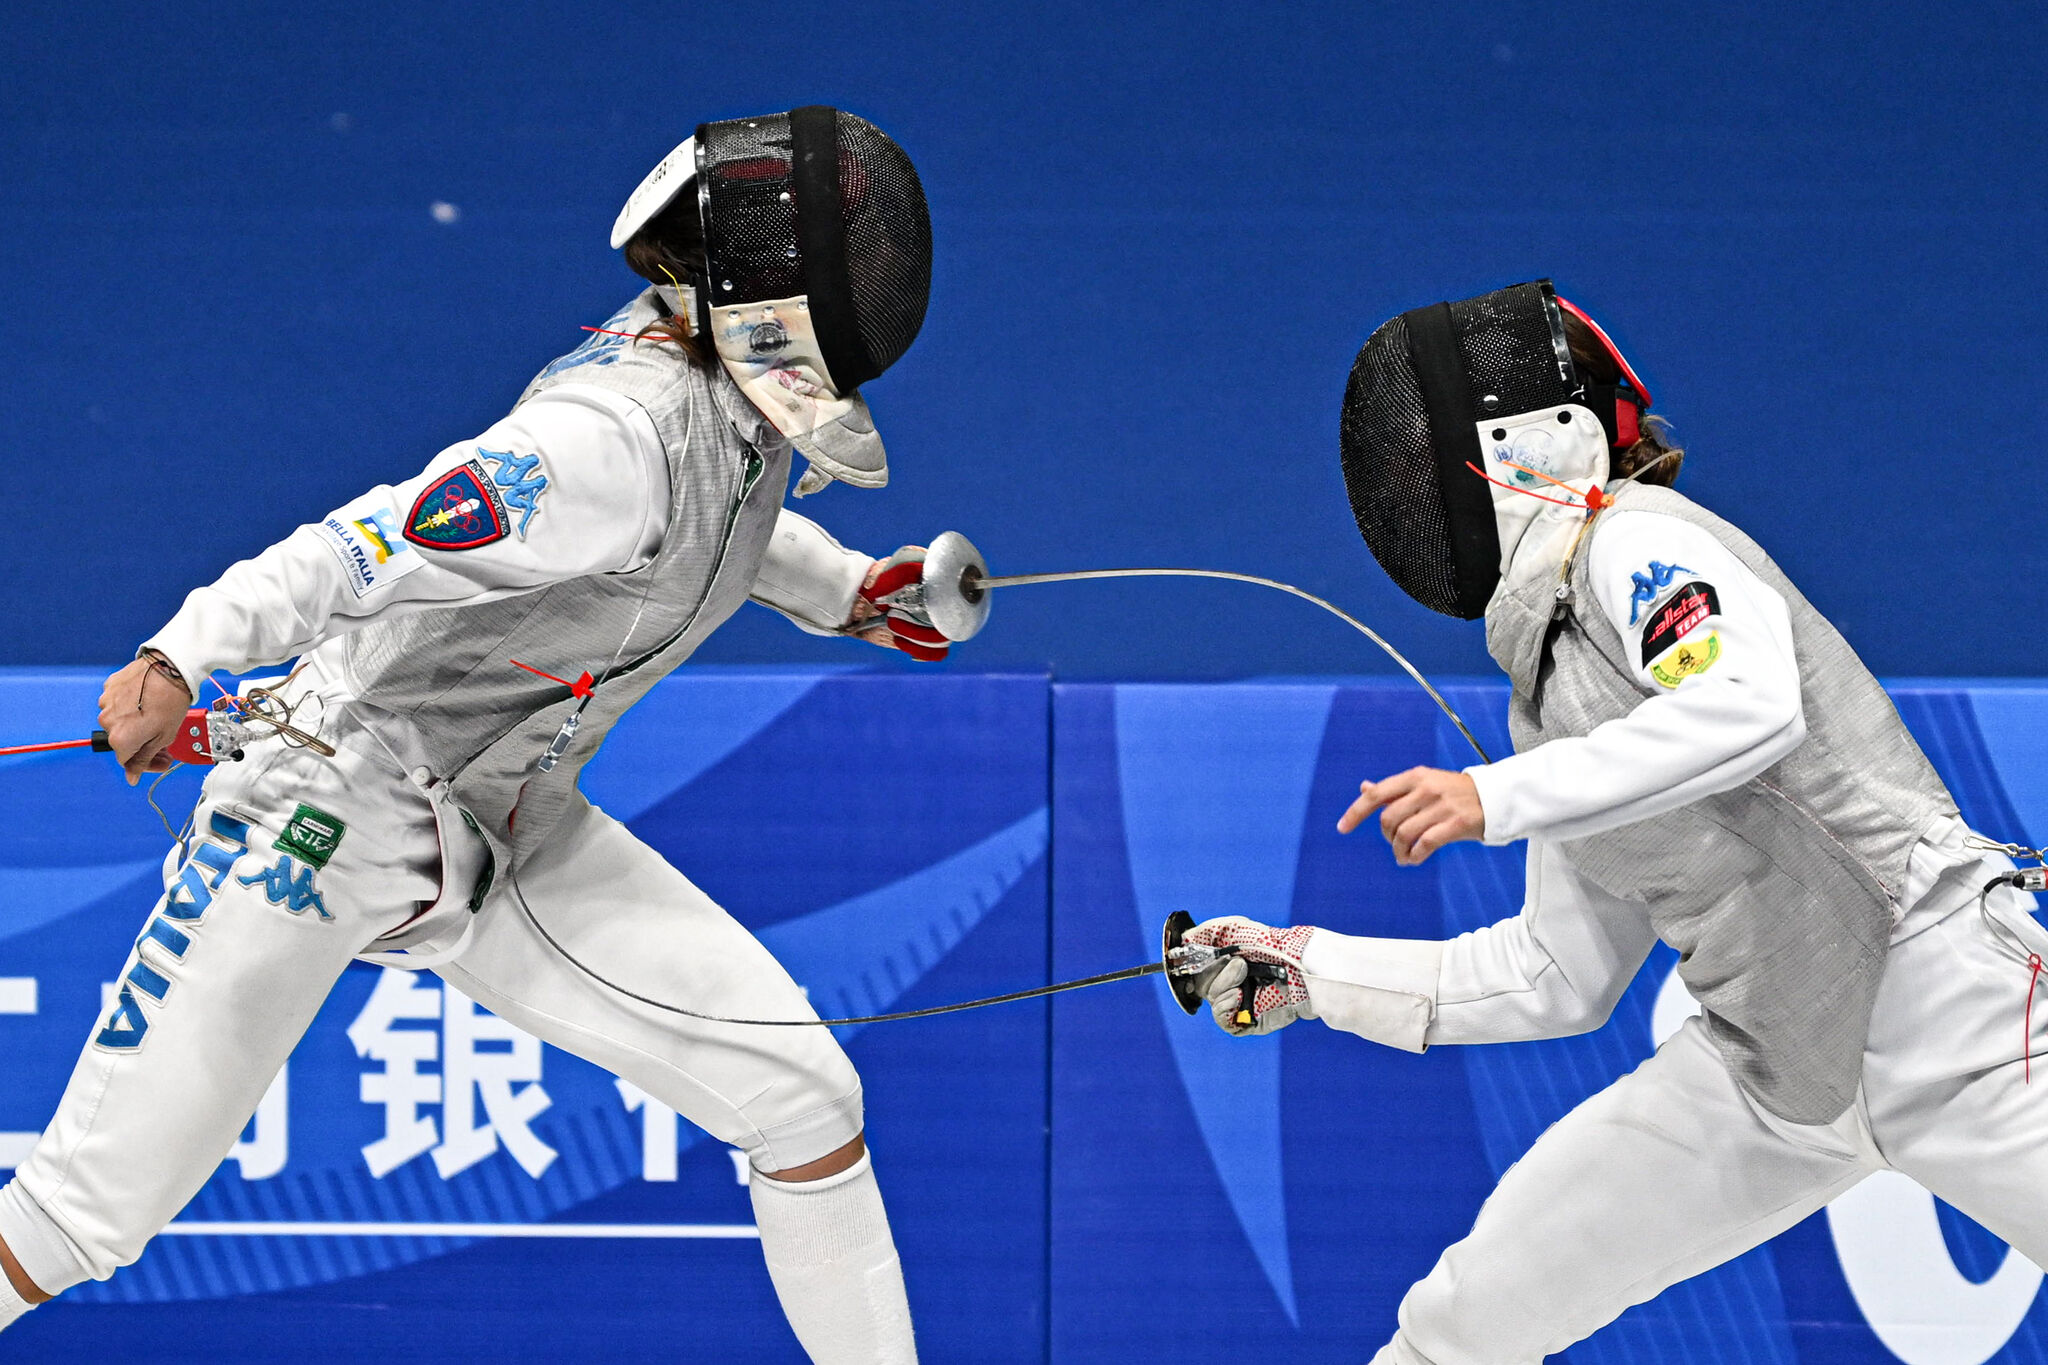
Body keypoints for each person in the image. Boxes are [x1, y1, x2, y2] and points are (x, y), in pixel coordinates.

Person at [0, 106, 945, 1364]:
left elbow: (727, 513)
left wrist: (846, 594)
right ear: (761, 278)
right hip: (329, 812)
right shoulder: (601, 442)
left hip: (511, 827)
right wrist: (187, 651)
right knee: (74, 1221)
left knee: (804, 1097)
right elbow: (369, 541)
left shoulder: (731, 402)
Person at [1183, 280, 2048, 1364]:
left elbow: (1748, 704)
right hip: (1773, 1074)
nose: (1403, 491)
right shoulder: (1545, 699)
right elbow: (1557, 975)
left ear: (1533, 440)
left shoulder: (1634, 542)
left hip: (1956, 1019)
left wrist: (1487, 797)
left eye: (1418, 456)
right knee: (1467, 1318)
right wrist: (1313, 972)